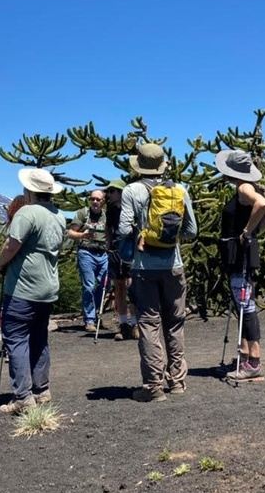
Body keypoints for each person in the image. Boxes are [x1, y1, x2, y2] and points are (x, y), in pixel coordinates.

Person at [118, 143, 198, 401]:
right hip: (174, 266)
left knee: (150, 325)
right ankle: (177, 382)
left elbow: (123, 229)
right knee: (175, 323)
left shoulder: (132, 190)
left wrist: (143, 236)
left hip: (144, 268)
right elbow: (192, 231)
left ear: (139, 165)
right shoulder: (180, 190)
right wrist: (169, 239)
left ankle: (153, 386)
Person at [0, 168, 67, 414]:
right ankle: (42, 390)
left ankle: (23, 397)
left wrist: (1, 264)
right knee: (39, 338)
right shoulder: (58, 215)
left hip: (23, 288)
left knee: (16, 339)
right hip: (47, 288)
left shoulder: (26, 213)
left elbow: (11, 245)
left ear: (29, 190)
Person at [215, 149, 265, 381]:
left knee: (245, 305)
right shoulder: (243, 187)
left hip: (239, 255)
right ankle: (244, 355)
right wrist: (255, 232)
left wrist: (247, 232)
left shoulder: (243, 187)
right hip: (240, 253)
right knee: (242, 302)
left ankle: (253, 362)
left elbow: (261, 204)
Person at [66, 189, 108, 333]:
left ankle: (96, 314)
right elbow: (70, 233)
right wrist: (82, 234)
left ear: (103, 201)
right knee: (89, 285)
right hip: (86, 252)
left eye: (98, 199)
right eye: (92, 199)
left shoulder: (107, 216)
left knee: (104, 286)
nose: (95, 202)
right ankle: (90, 320)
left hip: (104, 253)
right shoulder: (83, 213)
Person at [104, 179, 138, 341]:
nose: (108, 194)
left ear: (120, 192)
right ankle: (123, 324)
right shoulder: (110, 209)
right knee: (118, 286)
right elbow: (108, 228)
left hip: (130, 250)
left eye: (112, 191)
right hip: (115, 250)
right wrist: (108, 244)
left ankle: (135, 323)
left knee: (131, 286)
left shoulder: (130, 207)